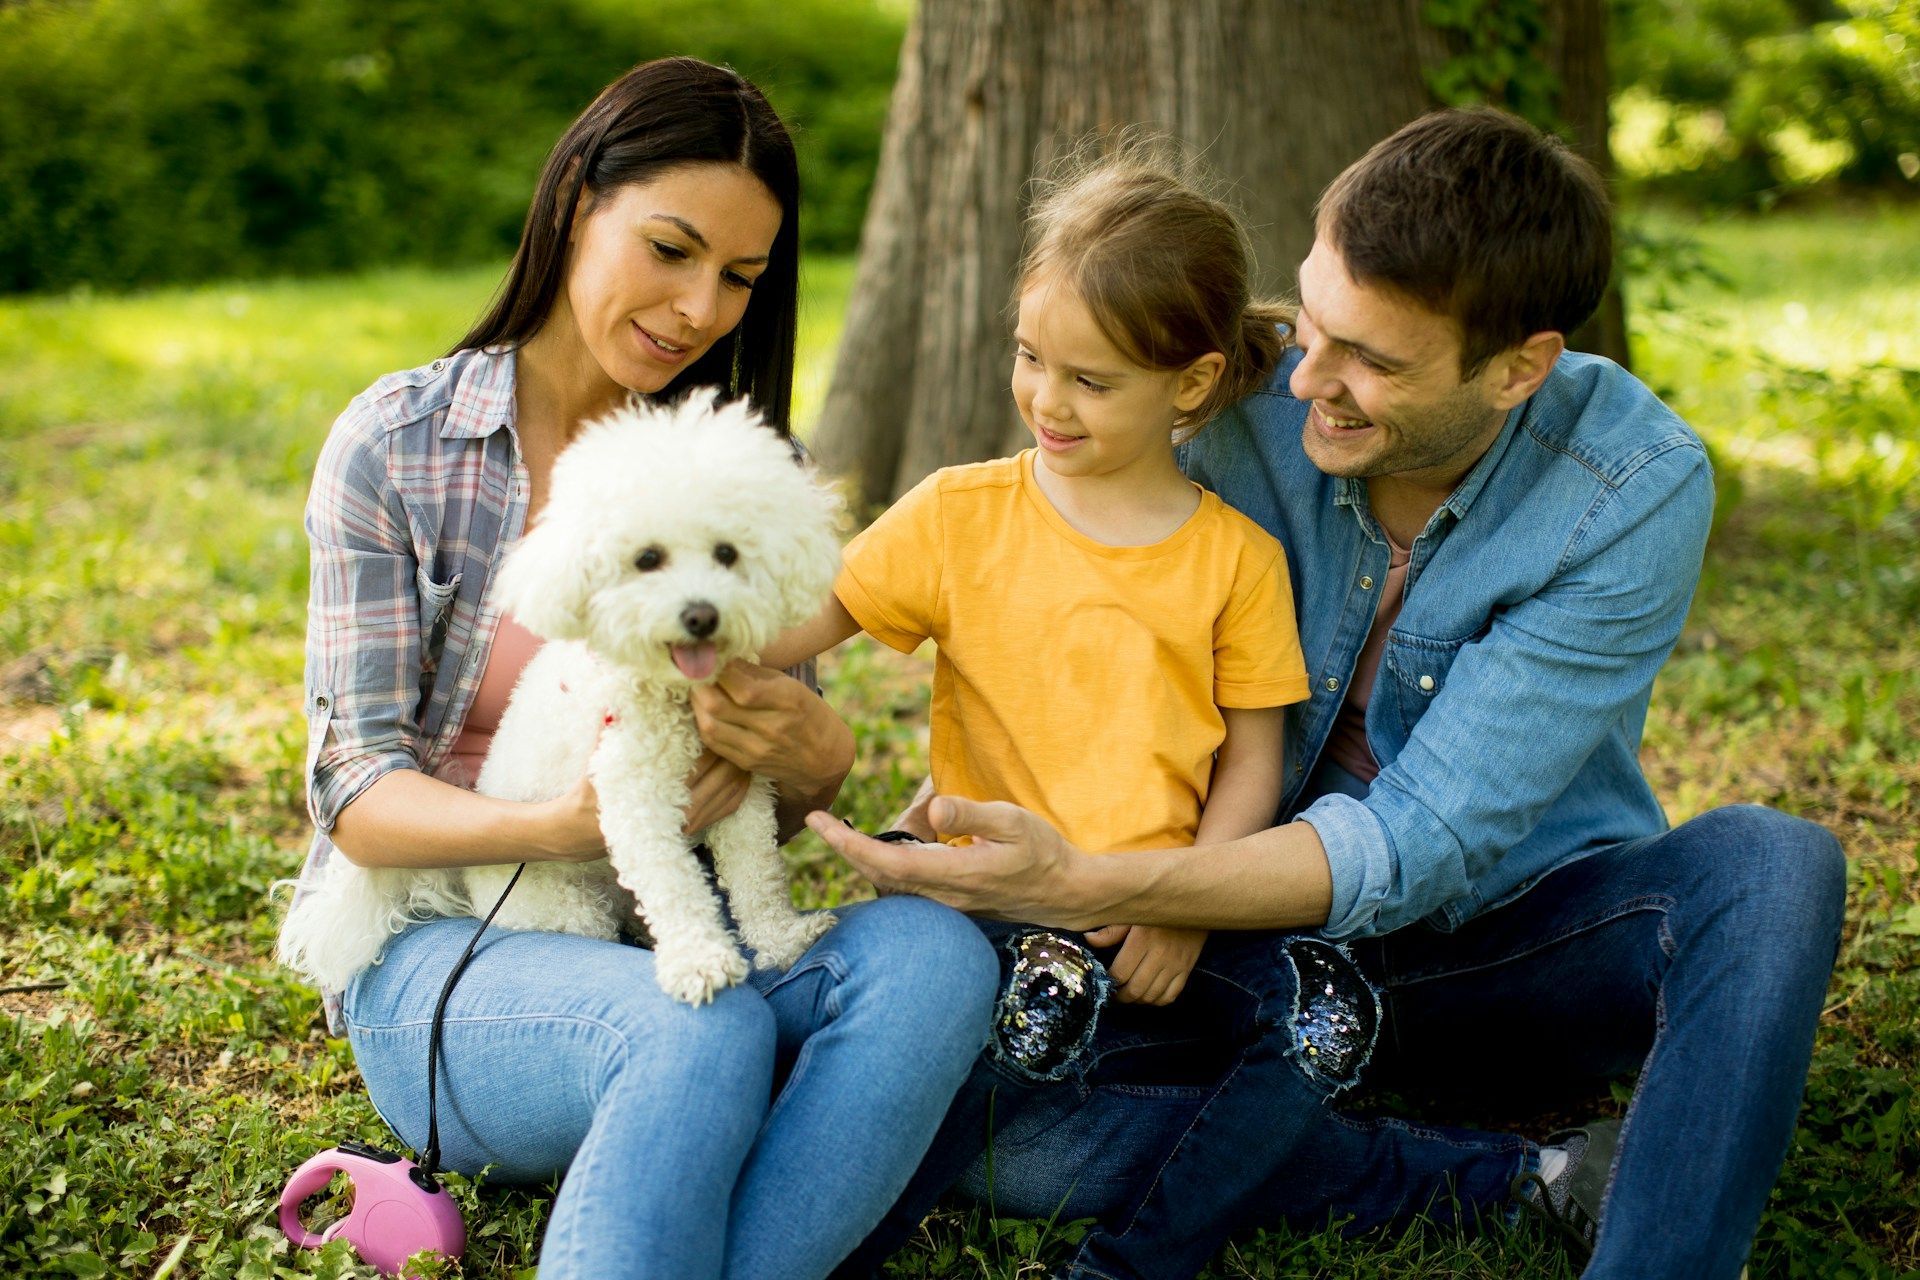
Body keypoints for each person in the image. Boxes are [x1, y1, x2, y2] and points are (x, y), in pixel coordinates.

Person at [811, 107, 1846, 1280]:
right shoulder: (1221, 381)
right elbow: (1022, 575)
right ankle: (1518, 1176)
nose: (1307, 377)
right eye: (1313, 320)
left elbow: (1423, 841)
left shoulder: (1628, 484)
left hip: (1494, 946)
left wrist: (1100, 880)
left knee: (1773, 865)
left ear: (1521, 367)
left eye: (1375, 361)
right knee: (996, 1119)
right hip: (1213, 943)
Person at [280, 57, 997, 1280]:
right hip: (455, 948)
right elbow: (353, 788)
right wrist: (565, 824)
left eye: (739, 278)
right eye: (670, 249)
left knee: (937, 959)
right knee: (697, 1034)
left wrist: (815, 761)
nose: (700, 307)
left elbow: (767, 781)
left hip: (687, 924)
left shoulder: (732, 465)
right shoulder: (398, 446)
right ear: (574, 202)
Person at [763, 151, 1311, 1021]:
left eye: (1092, 382)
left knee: (1280, 1025)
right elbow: (800, 621)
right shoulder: (956, 512)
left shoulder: (1239, 561)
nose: (1048, 401)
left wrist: (1186, 907)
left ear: (1193, 382)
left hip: (1144, 924)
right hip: (978, 909)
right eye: (1030, 358)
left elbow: (1252, 763)